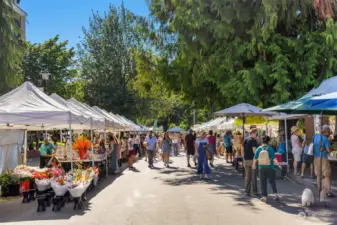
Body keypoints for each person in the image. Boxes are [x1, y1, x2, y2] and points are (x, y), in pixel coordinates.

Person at [253, 136, 281, 202]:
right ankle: (275, 195)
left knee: (263, 182)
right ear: (268, 141)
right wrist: (278, 164)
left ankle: (264, 197)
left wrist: (253, 165)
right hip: (270, 167)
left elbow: (255, 158)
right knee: (272, 181)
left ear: (261, 141)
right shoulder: (270, 148)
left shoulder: (258, 148)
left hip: (261, 167)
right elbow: (274, 159)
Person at [313, 125, 334, 198]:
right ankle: (329, 191)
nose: (329, 133)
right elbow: (328, 150)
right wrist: (333, 149)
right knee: (327, 175)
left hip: (316, 157)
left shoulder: (315, 136)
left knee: (318, 174)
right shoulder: (325, 139)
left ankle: (320, 189)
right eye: (328, 132)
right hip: (323, 158)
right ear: (326, 131)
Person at [242, 128, 259, 196]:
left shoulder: (245, 140)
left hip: (246, 160)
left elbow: (242, 150)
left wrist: (243, 158)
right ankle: (255, 191)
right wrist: (257, 158)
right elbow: (254, 151)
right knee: (254, 176)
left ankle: (247, 191)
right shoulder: (253, 141)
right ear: (253, 133)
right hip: (252, 160)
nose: (257, 135)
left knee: (247, 177)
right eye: (256, 133)